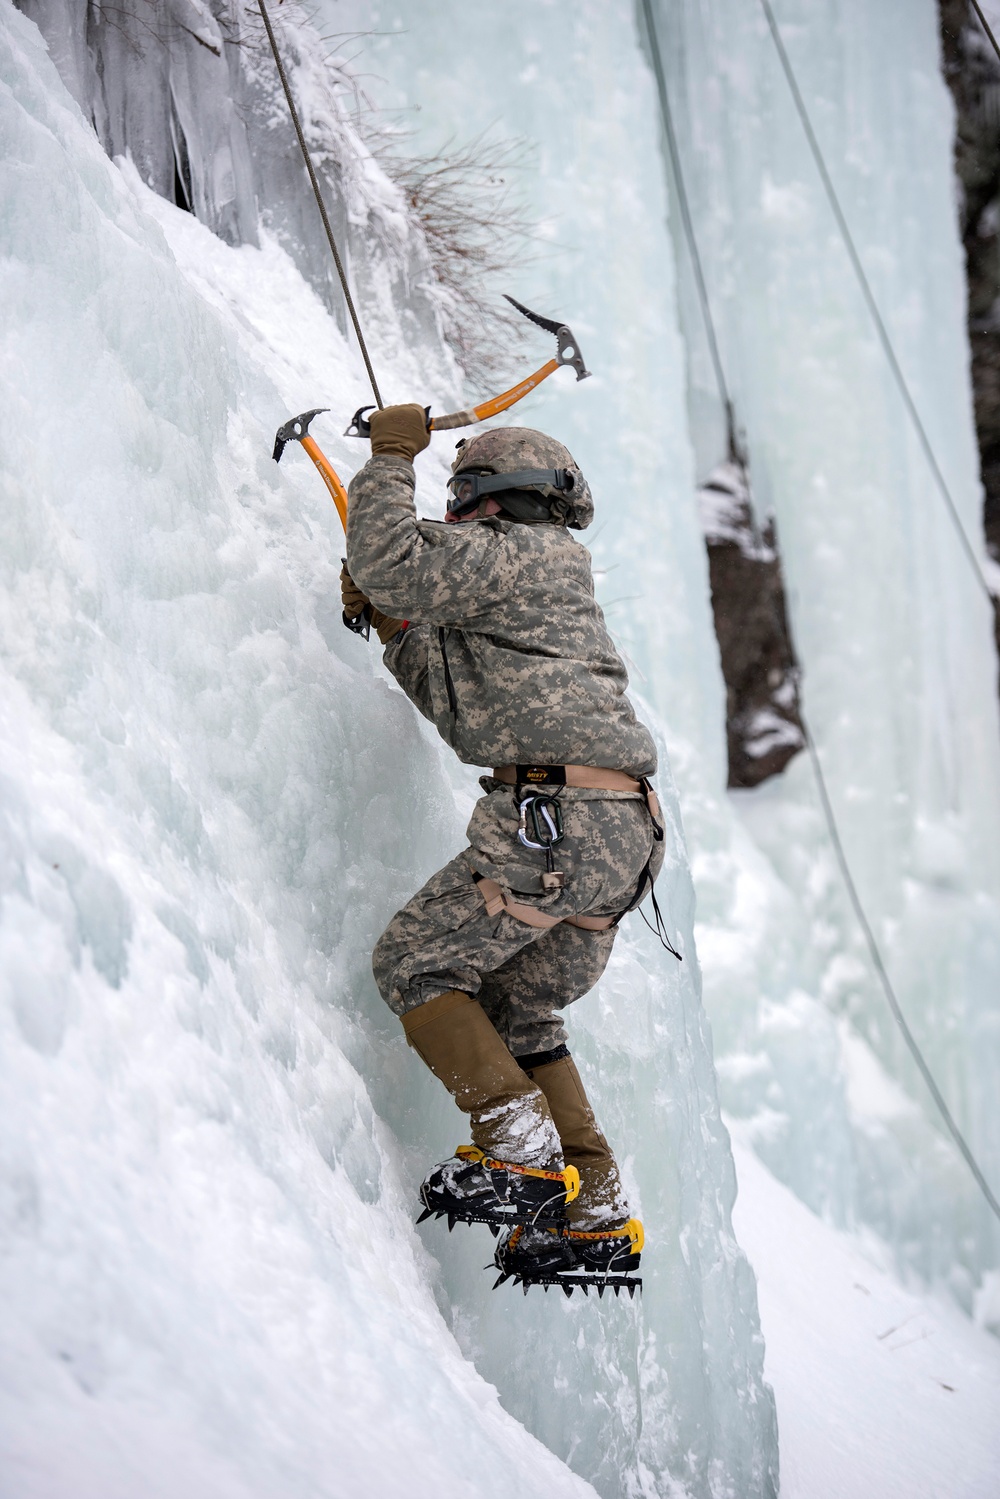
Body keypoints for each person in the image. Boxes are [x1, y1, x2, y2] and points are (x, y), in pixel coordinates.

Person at [342, 403, 666, 1289]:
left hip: (554, 819)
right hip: (619, 833)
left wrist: (393, 455)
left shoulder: (514, 551)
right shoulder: (548, 580)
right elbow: (465, 704)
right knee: (521, 1012)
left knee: (414, 962)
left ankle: (518, 1148)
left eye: (462, 497)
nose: (457, 513)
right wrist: (393, 626)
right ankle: (593, 1207)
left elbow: (390, 558)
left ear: (488, 499)